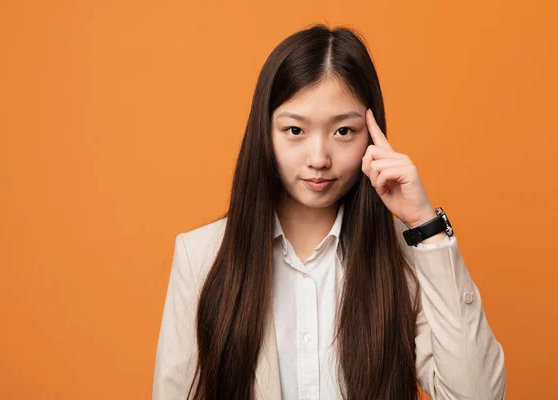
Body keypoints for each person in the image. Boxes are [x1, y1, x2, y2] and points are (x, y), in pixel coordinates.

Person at [152, 24, 506, 400]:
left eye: (343, 132)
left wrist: (426, 227)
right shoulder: (201, 256)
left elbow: (479, 395)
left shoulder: (404, 260)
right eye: (294, 130)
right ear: (264, 133)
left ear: (371, 136)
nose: (319, 159)